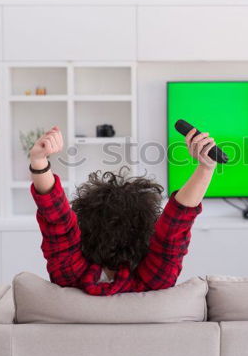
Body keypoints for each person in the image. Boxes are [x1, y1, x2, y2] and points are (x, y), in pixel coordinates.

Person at [28, 126, 215, 295]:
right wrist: (206, 168)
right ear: (146, 232)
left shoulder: (69, 278)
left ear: (84, 227)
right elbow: (173, 230)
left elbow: (59, 224)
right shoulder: (154, 283)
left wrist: (39, 161)